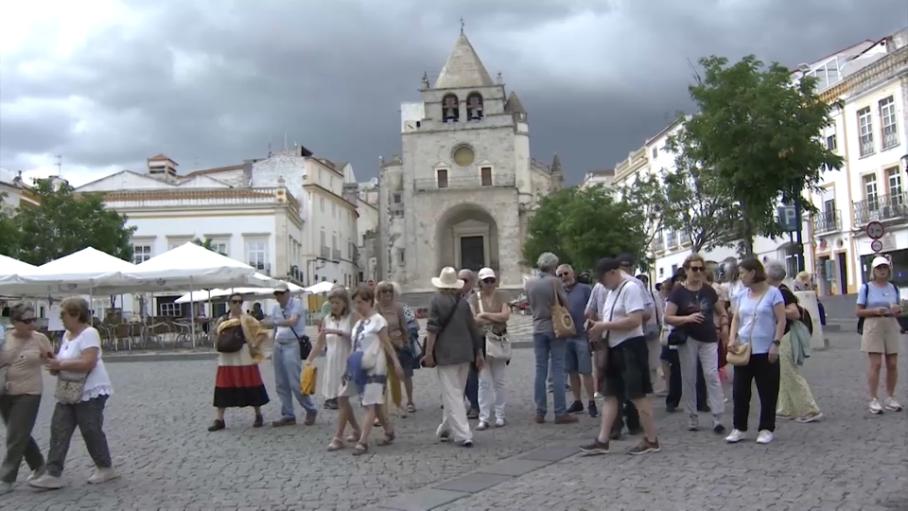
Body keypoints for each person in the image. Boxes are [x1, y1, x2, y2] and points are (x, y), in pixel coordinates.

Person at [29, 297, 117, 490]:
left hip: (91, 390)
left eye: (63, 314)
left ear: (76, 314)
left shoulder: (89, 333)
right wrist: (53, 362)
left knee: (90, 429)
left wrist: (60, 364)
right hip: (68, 390)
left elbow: (88, 362)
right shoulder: (67, 335)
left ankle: (105, 467)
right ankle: (53, 473)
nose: (61, 318)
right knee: (59, 428)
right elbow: (63, 360)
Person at [581, 258, 660, 455]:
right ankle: (602, 440)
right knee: (610, 394)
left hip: (631, 348)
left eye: (603, 279)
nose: (602, 284)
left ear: (613, 272)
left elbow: (635, 320)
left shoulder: (631, 288)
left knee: (637, 395)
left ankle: (651, 439)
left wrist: (604, 326)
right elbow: (611, 318)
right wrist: (596, 325)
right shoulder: (612, 290)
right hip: (615, 347)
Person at [664, 253, 728, 434]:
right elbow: (668, 317)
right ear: (686, 270)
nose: (698, 272)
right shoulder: (678, 291)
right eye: (694, 269)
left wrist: (723, 325)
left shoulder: (708, 290)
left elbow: (721, 311)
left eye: (701, 269)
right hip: (688, 338)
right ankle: (692, 417)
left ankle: (718, 417)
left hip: (708, 337)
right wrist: (687, 318)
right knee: (689, 377)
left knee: (712, 375)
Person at [725, 258, 786, 445]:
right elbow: (736, 318)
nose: (741, 276)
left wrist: (776, 343)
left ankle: (766, 428)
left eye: (743, 272)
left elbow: (781, 320)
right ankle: (739, 427)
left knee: (767, 391)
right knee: (740, 391)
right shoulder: (743, 295)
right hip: (744, 349)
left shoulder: (773, 294)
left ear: (753, 273)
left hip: (765, 349)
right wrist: (731, 338)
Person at [423, 267, 485, 446]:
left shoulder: (436, 301)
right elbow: (473, 329)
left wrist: (428, 354)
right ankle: (446, 428)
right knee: (456, 391)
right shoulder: (463, 303)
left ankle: (464, 434)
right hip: (465, 353)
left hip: (446, 354)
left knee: (453, 394)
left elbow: (432, 330)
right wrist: (478, 352)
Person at [344, 285, 405, 455]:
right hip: (360, 365)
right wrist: (348, 367)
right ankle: (389, 430)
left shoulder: (378, 320)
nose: (357, 306)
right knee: (376, 403)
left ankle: (363, 441)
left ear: (369, 301)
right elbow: (354, 347)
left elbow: (387, 344)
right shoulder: (358, 324)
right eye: (355, 303)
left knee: (369, 403)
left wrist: (396, 363)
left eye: (360, 302)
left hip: (376, 365)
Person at [0, 304, 54, 494]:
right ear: (14, 322)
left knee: (15, 435)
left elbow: (52, 362)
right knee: (20, 433)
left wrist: (53, 363)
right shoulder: (4, 337)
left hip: (30, 392)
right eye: (27, 321)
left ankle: (6, 478)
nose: (32, 324)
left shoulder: (40, 339)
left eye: (34, 319)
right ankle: (38, 464)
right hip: (5, 393)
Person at [765, 261, 822, 423]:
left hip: (786, 335)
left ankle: (809, 409)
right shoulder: (777, 290)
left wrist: (774, 310)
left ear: (770, 275)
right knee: (783, 373)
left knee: (790, 373)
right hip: (781, 335)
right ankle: (786, 407)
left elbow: (794, 313)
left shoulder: (782, 292)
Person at [527, 253, 578, 424]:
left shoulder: (530, 282)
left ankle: (540, 411)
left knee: (540, 370)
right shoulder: (554, 281)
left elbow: (530, 304)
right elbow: (565, 303)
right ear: (553, 266)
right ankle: (560, 412)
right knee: (557, 369)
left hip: (537, 327)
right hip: (555, 327)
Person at [207, 294, 270, 432]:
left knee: (251, 383)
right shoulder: (222, 319)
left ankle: (258, 414)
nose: (237, 304)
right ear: (229, 303)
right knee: (223, 385)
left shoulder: (247, 319)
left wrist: (254, 345)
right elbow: (214, 334)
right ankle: (219, 419)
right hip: (226, 357)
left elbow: (262, 332)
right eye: (234, 302)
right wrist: (218, 342)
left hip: (244, 355)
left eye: (240, 302)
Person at [263, 283, 318, 427]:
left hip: (292, 344)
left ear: (288, 293)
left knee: (295, 382)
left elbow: (293, 321)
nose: (279, 296)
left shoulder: (297, 304)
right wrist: (271, 348)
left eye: (281, 293)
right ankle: (288, 414)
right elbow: (275, 330)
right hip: (278, 345)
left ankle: (310, 408)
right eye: (276, 294)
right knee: (281, 383)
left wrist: (272, 322)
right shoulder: (275, 308)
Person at [856, 256, 903, 414]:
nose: (882, 271)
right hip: (873, 323)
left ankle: (890, 397)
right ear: (873, 271)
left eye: (884, 268)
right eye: (879, 268)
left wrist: (898, 310)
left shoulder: (893, 288)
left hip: (890, 323)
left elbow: (899, 307)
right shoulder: (866, 288)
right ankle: (873, 398)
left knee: (892, 363)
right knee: (875, 364)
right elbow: (858, 311)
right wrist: (874, 311)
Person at [470, 267, 511, 430]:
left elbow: (505, 316)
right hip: (481, 342)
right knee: (484, 382)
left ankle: (500, 415)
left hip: (498, 340)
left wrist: (485, 315)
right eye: (486, 281)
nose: (489, 284)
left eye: (492, 280)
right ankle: (484, 417)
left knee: (499, 380)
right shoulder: (474, 298)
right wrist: (495, 317)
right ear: (480, 282)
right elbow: (474, 321)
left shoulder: (501, 295)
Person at [308, 286, 354, 419]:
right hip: (332, 357)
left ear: (344, 303)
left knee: (344, 386)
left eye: (337, 303)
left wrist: (339, 332)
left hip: (346, 356)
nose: (334, 306)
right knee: (332, 380)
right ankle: (333, 400)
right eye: (332, 303)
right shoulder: (327, 319)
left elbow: (357, 337)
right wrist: (310, 359)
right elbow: (320, 343)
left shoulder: (351, 318)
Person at [557, 264, 597, 418]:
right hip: (566, 336)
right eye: (559, 275)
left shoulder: (585, 289)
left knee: (586, 370)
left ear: (572, 272)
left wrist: (592, 329)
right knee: (571, 370)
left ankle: (591, 401)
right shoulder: (558, 292)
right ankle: (577, 401)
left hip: (582, 335)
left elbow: (593, 309)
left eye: (565, 273)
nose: (563, 277)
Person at [375, 281, 417, 414]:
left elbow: (404, 326)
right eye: (384, 292)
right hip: (382, 346)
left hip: (399, 345)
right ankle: (384, 405)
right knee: (383, 376)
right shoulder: (376, 308)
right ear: (379, 294)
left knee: (405, 374)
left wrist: (406, 343)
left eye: (389, 292)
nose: (387, 295)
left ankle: (408, 401)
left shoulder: (398, 307)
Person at [458, 269, 480, 420]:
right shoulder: (454, 297)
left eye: (465, 280)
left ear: (472, 282)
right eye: (460, 280)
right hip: (457, 340)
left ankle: (475, 405)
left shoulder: (476, 297)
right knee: (461, 374)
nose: (462, 284)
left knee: (472, 374)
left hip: (472, 339)